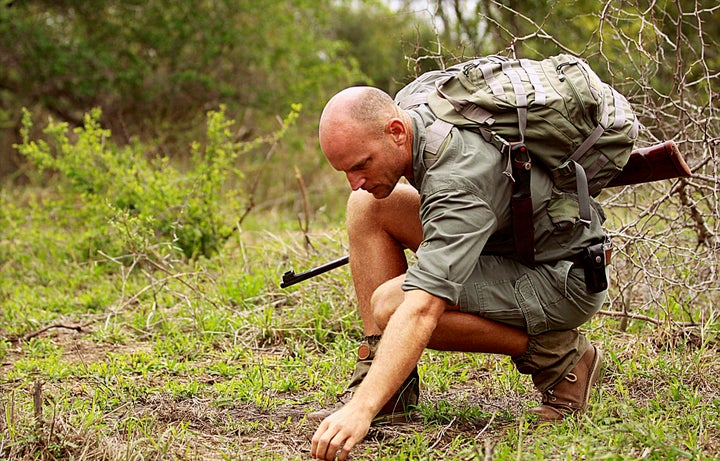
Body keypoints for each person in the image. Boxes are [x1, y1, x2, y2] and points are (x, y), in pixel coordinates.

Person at [309, 83, 607, 461]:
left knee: (392, 305)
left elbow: (421, 309)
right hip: (511, 242)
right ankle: (389, 390)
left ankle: (561, 358)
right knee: (366, 205)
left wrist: (360, 409)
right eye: (344, 170)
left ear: (396, 132)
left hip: (561, 277)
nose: (354, 180)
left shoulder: (457, 182)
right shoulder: (417, 108)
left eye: (361, 164)